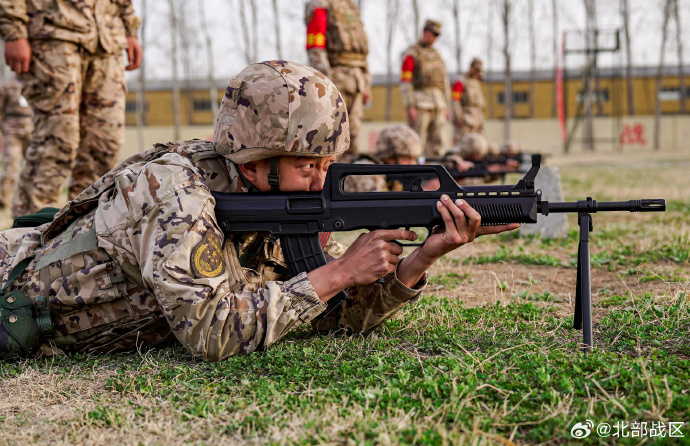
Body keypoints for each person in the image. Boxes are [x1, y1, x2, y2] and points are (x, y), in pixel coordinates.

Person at [0, 61, 518, 363]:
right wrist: (337, 272)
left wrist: (416, 262)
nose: (322, 178)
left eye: (328, 162)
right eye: (307, 164)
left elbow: (331, 315)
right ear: (253, 161)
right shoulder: (177, 191)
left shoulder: (275, 203)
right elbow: (210, 332)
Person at [0, 0, 143, 219]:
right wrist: (13, 30)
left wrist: (129, 27)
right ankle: (26, 237)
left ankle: (82, 234)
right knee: (55, 144)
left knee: (103, 144)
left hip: (107, 36)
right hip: (53, 33)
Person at [305, 0, 372, 161]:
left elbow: (362, 53)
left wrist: (366, 84)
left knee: (353, 134)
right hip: (336, 77)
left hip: (356, 81)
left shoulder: (351, 7)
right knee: (333, 135)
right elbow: (316, 45)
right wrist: (325, 80)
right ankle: (329, 180)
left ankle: (348, 181)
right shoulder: (321, 5)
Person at [400, 19, 450, 158]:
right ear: (425, 32)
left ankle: (436, 174)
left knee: (438, 142)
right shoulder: (412, 54)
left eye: (436, 35)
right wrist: (410, 106)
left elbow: (444, 81)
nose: (434, 38)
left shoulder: (437, 55)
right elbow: (406, 81)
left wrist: (446, 105)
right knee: (416, 142)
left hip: (438, 103)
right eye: (432, 33)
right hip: (420, 103)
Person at [344, 124, 422, 193]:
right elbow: (380, 206)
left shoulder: (387, 173)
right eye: (407, 158)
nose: (412, 163)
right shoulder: (368, 171)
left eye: (414, 159)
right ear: (390, 156)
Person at [0, 76, 32, 209]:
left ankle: (31, 200)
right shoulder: (7, 85)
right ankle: (3, 201)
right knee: (11, 167)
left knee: (33, 167)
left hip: (32, 129)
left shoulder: (35, 81)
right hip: (12, 131)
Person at [450, 58, 486, 144]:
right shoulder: (461, 81)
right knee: (462, 143)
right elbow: (455, 100)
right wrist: (458, 117)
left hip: (477, 119)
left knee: (478, 145)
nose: (477, 72)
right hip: (465, 119)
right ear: (471, 67)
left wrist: (481, 120)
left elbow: (480, 103)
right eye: (476, 70)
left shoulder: (476, 83)